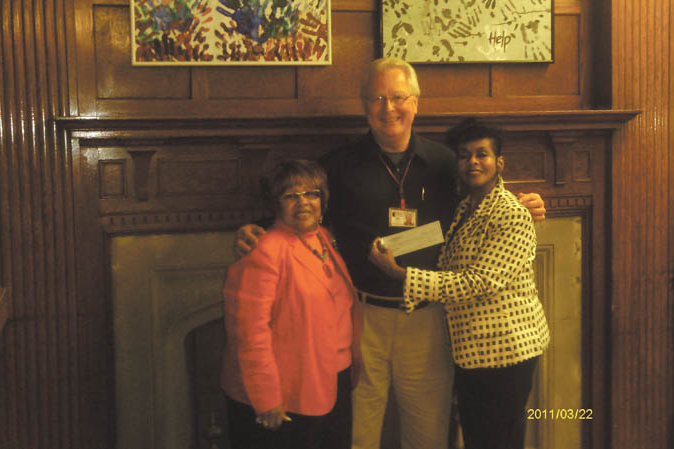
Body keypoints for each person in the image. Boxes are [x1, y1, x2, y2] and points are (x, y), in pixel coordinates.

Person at [233, 57, 547, 449]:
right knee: (359, 431)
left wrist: (524, 200)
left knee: (428, 431)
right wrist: (255, 229)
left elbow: (484, 194)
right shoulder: (337, 165)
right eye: (377, 97)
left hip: (427, 319)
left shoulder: (446, 161)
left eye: (398, 97)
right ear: (365, 104)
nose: (388, 108)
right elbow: (302, 208)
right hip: (363, 319)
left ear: (415, 102)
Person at [368, 118, 550, 449]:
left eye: (482, 154)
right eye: (465, 156)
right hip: (471, 352)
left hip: (505, 350)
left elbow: (478, 282)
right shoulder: (465, 207)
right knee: (480, 436)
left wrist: (402, 275)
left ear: (500, 163)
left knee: (499, 440)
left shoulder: (510, 213)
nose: (473, 162)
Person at [220, 159, 362, 449]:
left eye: (311, 193)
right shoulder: (264, 251)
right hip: (286, 392)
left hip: (331, 380)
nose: (303, 202)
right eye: (291, 195)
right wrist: (266, 397)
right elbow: (249, 333)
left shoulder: (325, 238)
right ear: (276, 203)